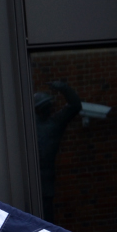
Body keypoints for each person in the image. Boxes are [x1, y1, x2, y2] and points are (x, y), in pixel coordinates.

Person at [34, 82, 81, 223]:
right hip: (36, 183)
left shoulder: (53, 124)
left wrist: (62, 87)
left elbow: (75, 106)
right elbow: (75, 106)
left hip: (46, 183)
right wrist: (62, 87)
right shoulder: (34, 126)